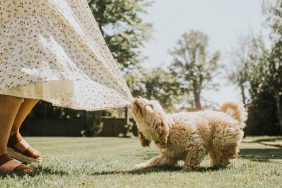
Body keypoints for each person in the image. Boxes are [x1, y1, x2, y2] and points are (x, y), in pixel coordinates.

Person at [0, 0, 132, 174]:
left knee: (44, 68)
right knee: (17, 65)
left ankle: (11, 132)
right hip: (17, 10)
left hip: (45, 10)